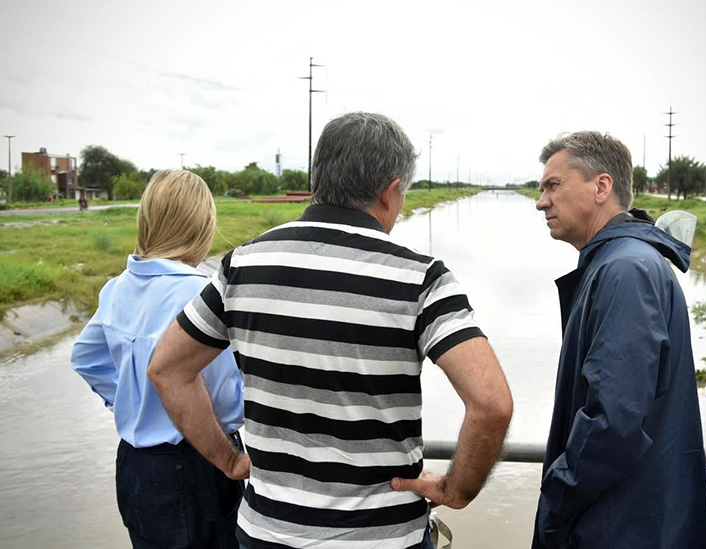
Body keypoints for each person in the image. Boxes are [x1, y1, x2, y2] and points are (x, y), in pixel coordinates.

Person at [147, 112, 514, 549]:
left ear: (318, 177)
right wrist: (456, 489)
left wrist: (228, 460)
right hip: (384, 538)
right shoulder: (421, 278)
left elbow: (167, 369)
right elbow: (491, 404)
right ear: (392, 190)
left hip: (267, 533)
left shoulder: (242, 265)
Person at [532, 131, 706, 548]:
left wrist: (555, 501)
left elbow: (613, 421)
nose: (542, 201)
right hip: (634, 518)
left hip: (621, 527)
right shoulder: (620, 262)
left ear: (601, 187)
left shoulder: (625, 270)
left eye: (553, 186)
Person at [71, 170, 244, 548]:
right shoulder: (201, 293)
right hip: (198, 463)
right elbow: (226, 396)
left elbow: (85, 358)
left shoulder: (117, 287)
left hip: (135, 465)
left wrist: (135, 399)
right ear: (201, 225)